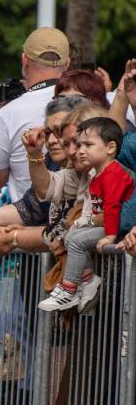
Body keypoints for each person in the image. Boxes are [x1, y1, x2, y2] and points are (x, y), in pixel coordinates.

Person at [38, 117, 131, 311]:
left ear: (110, 147)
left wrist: (110, 236)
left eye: (88, 145)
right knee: (70, 237)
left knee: (78, 241)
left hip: (117, 228)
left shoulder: (113, 173)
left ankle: (69, 290)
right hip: (106, 225)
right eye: (79, 145)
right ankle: (87, 280)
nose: (79, 150)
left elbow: (113, 208)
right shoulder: (98, 173)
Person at [0, 27, 70, 201]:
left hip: (23, 220)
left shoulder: (8, 113)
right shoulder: (87, 102)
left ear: (24, 59)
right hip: (76, 215)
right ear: (66, 64)